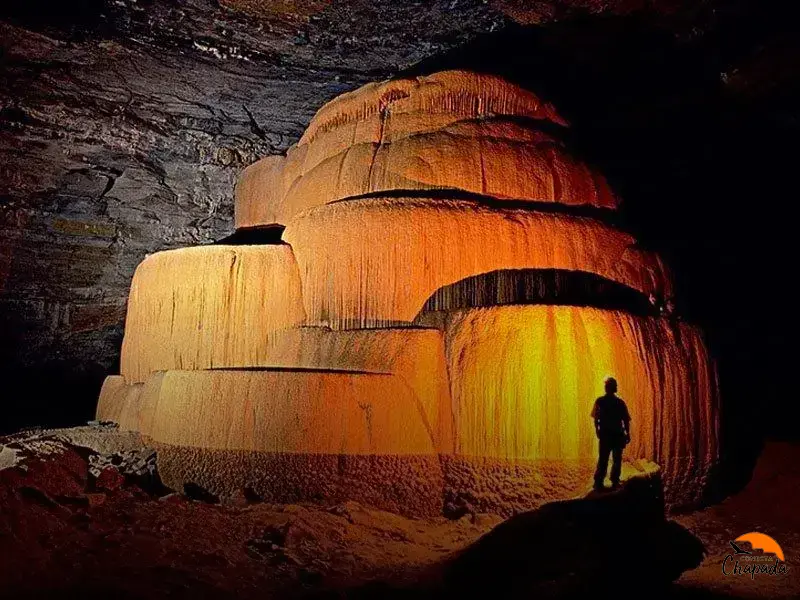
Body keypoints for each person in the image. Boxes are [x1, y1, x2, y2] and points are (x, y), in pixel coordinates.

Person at [591, 377, 631, 490]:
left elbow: (596, 418)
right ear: (613, 388)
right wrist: (628, 433)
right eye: (615, 385)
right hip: (617, 435)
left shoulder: (600, 401)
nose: (616, 387)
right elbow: (626, 420)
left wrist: (597, 430)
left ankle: (599, 482)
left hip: (606, 435)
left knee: (603, 459)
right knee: (616, 459)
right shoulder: (620, 403)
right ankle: (614, 481)